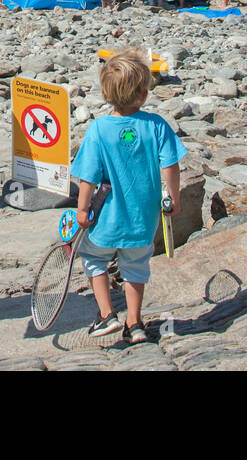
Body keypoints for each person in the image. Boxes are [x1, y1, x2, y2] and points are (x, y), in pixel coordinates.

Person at [71, 50, 184, 342]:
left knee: (93, 258)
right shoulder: (156, 125)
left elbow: (88, 177)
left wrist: (82, 210)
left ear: (107, 94)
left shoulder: (98, 129)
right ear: (143, 95)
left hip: (108, 216)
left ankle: (107, 315)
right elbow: (171, 164)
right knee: (136, 265)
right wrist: (173, 198)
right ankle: (134, 324)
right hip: (143, 218)